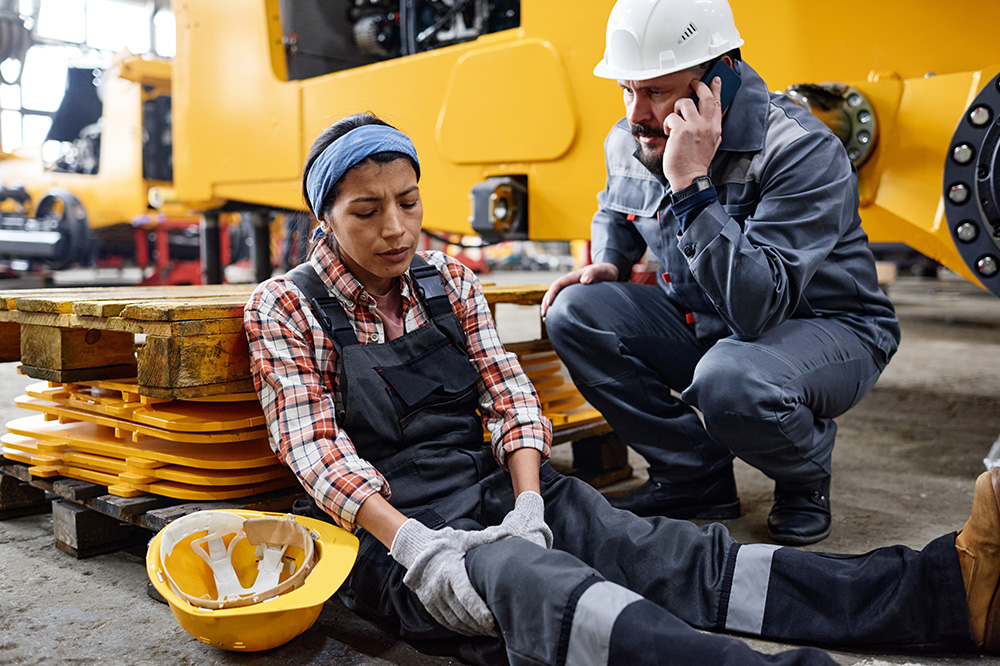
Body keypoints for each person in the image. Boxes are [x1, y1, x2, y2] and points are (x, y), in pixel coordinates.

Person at [244, 111, 1000, 665]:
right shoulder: (286, 305)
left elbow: (510, 396)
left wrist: (534, 502)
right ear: (324, 218)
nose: (398, 229)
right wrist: (420, 549)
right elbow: (314, 452)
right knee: (554, 592)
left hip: (496, 496)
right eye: (367, 213)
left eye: (409, 201)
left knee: (669, 555)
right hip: (394, 539)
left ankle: (945, 591)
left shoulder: (444, 279)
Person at [540, 0, 900, 546]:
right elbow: (616, 206)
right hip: (710, 322)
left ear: (720, 80)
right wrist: (611, 258)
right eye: (626, 89)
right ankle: (693, 476)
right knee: (574, 313)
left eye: (656, 91)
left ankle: (803, 477)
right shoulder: (634, 133)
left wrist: (690, 185)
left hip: (827, 329)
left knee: (733, 379)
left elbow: (758, 308)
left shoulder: (800, 150)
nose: (636, 113)